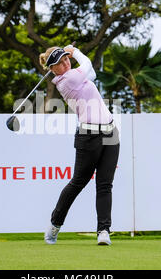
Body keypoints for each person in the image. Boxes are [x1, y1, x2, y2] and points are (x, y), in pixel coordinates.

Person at [39, 45, 120, 245]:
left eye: (66, 59)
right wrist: (74, 51)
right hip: (88, 135)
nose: (66, 63)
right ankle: (55, 224)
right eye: (60, 63)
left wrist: (71, 54)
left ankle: (103, 231)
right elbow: (87, 64)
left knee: (104, 184)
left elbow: (89, 71)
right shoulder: (66, 80)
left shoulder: (77, 75)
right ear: (53, 69)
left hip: (110, 132)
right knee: (78, 183)